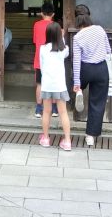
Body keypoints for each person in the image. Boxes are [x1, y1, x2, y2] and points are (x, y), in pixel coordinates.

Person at [71, 4, 111, 147]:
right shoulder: (100, 29)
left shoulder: (77, 37)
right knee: (97, 102)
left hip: (86, 68)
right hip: (101, 69)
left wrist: (77, 83)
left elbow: (76, 61)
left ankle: (79, 91)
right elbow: (108, 50)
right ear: (89, 16)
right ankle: (90, 136)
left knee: (77, 84)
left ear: (76, 18)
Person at [38, 21, 72, 151]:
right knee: (63, 112)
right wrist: (62, 37)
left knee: (46, 112)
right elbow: (65, 50)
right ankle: (67, 141)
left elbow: (42, 68)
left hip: (47, 85)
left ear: (47, 34)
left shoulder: (42, 49)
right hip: (59, 85)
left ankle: (46, 138)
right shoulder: (63, 50)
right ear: (59, 34)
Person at [33, 0, 58, 118]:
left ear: (41, 13)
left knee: (39, 84)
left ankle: (39, 109)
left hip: (39, 60)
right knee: (54, 84)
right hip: (53, 59)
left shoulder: (36, 25)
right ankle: (54, 109)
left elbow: (35, 41)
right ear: (53, 14)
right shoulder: (56, 26)